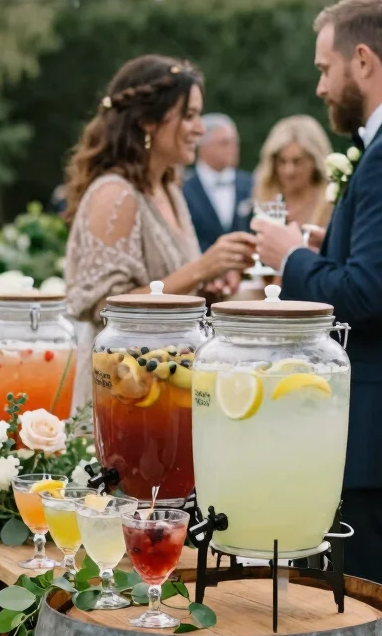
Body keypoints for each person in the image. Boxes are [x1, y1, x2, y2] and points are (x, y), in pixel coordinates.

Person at [253, 0, 382, 602]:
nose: (319, 87)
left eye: (324, 68)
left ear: (362, 60)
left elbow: (370, 295)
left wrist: (288, 256)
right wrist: (324, 246)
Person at [65, 55, 256, 406]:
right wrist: (201, 268)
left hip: (168, 387)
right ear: (147, 121)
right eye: (189, 116)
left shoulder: (169, 189)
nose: (200, 129)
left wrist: (206, 288)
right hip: (123, 394)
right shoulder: (115, 195)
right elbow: (104, 307)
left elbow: (167, 290)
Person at [183, 113, 253, 253]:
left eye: (235, 142)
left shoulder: (251, 184)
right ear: (203, 147)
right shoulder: (183, 188)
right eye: (225, 143)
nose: (233, 149)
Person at [254, 115, 333, 230]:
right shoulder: (263, 199)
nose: (289, 171)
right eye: (282, 161)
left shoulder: (331, 202)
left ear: (315, 161)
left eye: (297, 162)